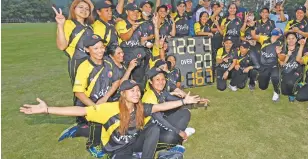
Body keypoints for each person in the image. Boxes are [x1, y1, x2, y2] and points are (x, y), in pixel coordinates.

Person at [20, 80, 201, 159]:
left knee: (153, 128)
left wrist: (184, 100)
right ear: (123, 94)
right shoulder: (108, 109)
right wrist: (47, 109)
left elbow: (160, 107)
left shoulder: (140, 107)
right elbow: (80, 109)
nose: (136, 93)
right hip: (117, 150)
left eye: (138, 90)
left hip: (134, 143)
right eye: (132, 91)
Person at [142, 68, 195, 147]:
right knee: (170, 138)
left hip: (159, 123)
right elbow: (160, 120)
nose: (161, 82)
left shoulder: (161, 91)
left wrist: (196, 100)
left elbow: (176, 100)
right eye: (157, 79)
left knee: (185, 113)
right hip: (150, 130)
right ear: (150, 81)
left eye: (163, 79)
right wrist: (178, 131)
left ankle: (179, 136)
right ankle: (178, 138)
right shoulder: (149, 97)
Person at [52, 0, 94, 85]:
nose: (84, 10)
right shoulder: (68, 24)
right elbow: (62, 46)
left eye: (87, 9)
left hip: (92, 62)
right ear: (73, 9)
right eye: (81, 7)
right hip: (78, 63)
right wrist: (60, 25)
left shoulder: (90, 27)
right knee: (81, 92)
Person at [115, 3, 148, 86]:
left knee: (139, 81)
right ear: (126, 12)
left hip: (138, 55)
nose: (135, 14)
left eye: (137, 12)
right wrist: (132, 28)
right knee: (126, 81)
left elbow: (142, 41)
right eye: (132, 11)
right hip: (126, 56)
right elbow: (124, 37)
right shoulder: (121, 23)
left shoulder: (141, 25)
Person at [256, 29, 284, 102]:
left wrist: (278, 53)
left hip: (274, 65)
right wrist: (252, 26)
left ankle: (276, 91)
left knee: (275, 77)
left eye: (277, 31)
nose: (275, 30)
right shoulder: (264, 39)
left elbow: (282, 58)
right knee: (262, 87)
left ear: (280, 35)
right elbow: (254, 36)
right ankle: (267, 77)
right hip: (264, 66)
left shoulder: (281, 44)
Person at [279, 32, 304, 102]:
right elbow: (282, 64)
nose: (291, 40)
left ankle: (299, 87)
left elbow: (301, 60)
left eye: (293, 38)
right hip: (286, 71)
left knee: (290, 83)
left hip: (297, 71)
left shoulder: (300, 48)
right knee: (283, 91)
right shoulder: (283, 49)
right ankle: (294, 89)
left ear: (296, 39)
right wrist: (288, 55)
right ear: (286, 40)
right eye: (289, 39)